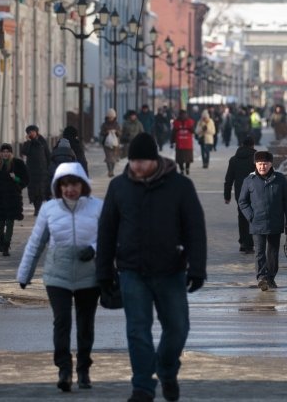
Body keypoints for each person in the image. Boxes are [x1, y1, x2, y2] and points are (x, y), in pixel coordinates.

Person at [96, 133, 207, 402]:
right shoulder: (119, 187)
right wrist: (103, 272)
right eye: (133, 161)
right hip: (132, 271)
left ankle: (167, 371)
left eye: (142, 161)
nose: (137, 167)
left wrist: (197, 268)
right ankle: (143, 387)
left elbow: (195, 228)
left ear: (154, 160)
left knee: (178, 328)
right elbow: (106, 231)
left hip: (171, 270)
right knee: (137, 330)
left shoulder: (180, 186)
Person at [17, 162, 102, 392]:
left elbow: (112, 237)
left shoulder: (97, 207)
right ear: (58, 187)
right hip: (58, 273)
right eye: (64, 184)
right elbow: (36, 242)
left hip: (88, 274)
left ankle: (84, 370)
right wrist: (24, 273)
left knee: (85, 324)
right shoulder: (49, 209)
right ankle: (64, 370)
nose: (69, 189)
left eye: (73, 184)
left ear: (82, 184)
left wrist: (94, 248)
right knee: (61, 321)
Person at [238, 151, 287, 291]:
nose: (262, 166)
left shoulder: (280, 179)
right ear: (255, 164)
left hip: (275, 221)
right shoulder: (249, 180)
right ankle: (262, 277)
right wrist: (251, 216)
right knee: (260, 251)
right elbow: (242, 202)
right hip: (257, 222)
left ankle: (271, 277)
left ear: (270, 164)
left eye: (265, 164)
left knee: (273, 252)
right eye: (259, 163)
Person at [0, 143, 29, 256]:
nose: (5, 154)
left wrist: (16, 178)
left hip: (12, 197)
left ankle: (6, 245)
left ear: (10, 153)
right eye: (3, 151)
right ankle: (2, 239)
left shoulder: (17, 164)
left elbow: (26, 179)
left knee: (10, 222)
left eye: (7, 151)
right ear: (1, 153)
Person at [224, 135, 257, 254]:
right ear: (253, 145)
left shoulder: (234, 159)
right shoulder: (256, 158)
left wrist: (227, 196)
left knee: (242, 217)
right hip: (255, 192)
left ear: (242, 145)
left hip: (240, 192)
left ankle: (243, 242)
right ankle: (249, 244)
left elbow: (228, 179)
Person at [21, 125, 52, 215]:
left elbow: (48, 154)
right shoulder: (28, 143)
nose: (31, 133)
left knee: (41, 190)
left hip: (42, 170)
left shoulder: (42, 142)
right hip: (31, 170)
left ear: (36, 132)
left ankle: (40, 208)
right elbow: (24, 152)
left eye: (32, 131)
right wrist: (27, 141)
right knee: (33, 190)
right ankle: (36, 208)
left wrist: (50, 167)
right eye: (29, 132)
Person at [171, 109, 195, 175]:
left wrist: (172, 141)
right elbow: (193, 131)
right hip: (187, 143)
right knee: (188, 157)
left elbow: (173, 133)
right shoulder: (189, 122)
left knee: (180, 158)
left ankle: (182, 169)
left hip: (180, 143)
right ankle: (187, 168)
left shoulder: (176, 122)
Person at [100, 109, 122, 178]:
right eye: (109, 117)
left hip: (115, 144)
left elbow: (120, 133)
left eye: (112, 117)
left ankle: (112, 170)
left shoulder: (117, 124)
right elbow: (101, 133)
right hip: (106, 143)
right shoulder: (104, 124)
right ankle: (110, 171)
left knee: (114, 158)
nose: (111, 118)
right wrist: (106, 132)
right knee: (108, 157)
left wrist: (116, 132)